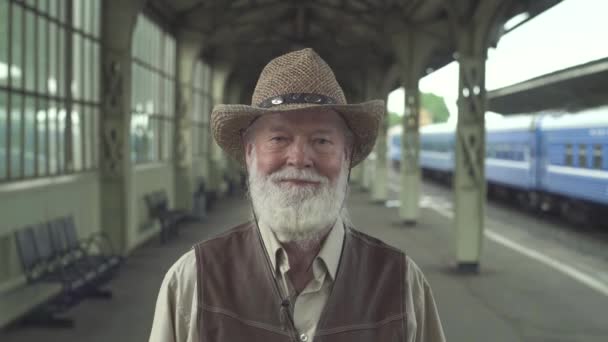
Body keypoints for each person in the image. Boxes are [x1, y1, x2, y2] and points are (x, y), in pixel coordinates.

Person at [149, 48, 446, 342]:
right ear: (250, 153)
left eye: (321, 140)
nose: (300, 158)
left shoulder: (402, 284)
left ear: (347, 155)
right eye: (279, 138)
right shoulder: (193, 281)